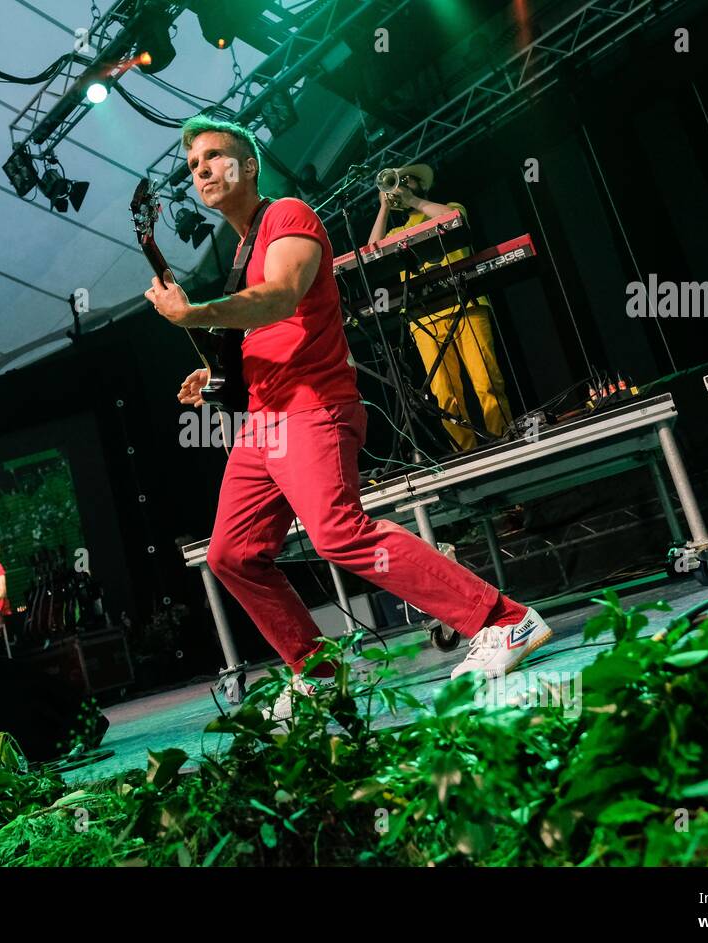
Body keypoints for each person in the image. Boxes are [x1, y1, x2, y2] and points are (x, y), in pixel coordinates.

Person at [144, 115, 553, 722]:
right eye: (193, 164)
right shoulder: (240, 248)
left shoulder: (285, 216)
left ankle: (506, 620)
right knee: (230, 554)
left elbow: (282, 295)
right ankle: (319, 672)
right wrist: (223, 376)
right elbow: (271, 328)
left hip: (313, 409)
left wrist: (195, 314)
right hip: (263, 421)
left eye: (213, 156)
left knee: (337, 531)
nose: (200, 170)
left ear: (248, 165)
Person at [368, 164, 512, 450]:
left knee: (487, 381)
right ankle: (465, 453)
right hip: (424, 318)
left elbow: (454, 218)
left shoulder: (448, 206)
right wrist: (384, 207)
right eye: (397, 182)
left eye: (406, 179)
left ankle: (504, 441)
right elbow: (373, 251)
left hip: (465, 305)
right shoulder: (397, 229)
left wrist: (411, 200)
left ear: (420, 184)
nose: (401, 184)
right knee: (444, 394)